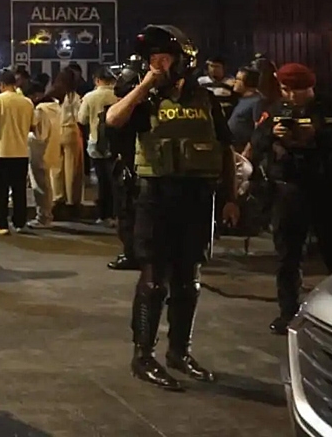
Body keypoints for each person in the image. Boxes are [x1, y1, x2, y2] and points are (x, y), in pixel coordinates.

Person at [105, 25, 239, 391]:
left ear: (182, 61)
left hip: (197, 198)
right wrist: (145, 84)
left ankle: (180, 352)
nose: (158, 64)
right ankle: (143, 356)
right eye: (152, 59)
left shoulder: (205, 100)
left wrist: (230, 198)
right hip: (155, 197)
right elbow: (113, 120)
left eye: (164, 58)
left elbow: (224, 149)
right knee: (153, 280)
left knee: (189, 280)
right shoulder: (142, 100)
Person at [250, 63, 332, 335]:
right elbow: (257, 142)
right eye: (286, 90)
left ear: (311, 86)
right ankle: (288, 312)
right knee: (287, 256)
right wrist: (273, 133)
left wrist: (317, 136)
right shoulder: (275, 110)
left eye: (298, 90)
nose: (292, 96)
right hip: (288, 190)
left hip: (326, 191)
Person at [104, 58, 144, 271]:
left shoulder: (136, 110)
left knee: (128, 213)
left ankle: (133, 253)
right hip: (130, 165)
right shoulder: (121, 110)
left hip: (132, 166)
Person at [0, 70, 34, 235]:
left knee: (1, 190)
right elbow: (33, 126)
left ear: (2, 85)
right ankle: (20, 222)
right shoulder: (27, 102)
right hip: (21, 151)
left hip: (1, 151)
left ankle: (1, 223)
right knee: (19, 190)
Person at [79, 68, 119, 224]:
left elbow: (81, 119)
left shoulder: (90, 97)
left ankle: (104, 215)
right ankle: (117, 213)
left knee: (102, 180)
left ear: (97, 80)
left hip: (96, 142)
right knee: (116, 179)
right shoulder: (117, 95)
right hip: (116, 142)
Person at [47, 70, 83, 218]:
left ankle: (57, 197)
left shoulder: (52, 94)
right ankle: (72, 200)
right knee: (72, 168)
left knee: (56, 167)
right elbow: (79, 117)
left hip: (55, 131)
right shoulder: (73, 96)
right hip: (71, 131)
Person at [28, 82, 61, 228]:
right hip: (53, 149)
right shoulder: (56, 107)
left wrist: (25, 134)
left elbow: (39, 135)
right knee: (47, 184)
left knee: (40, 185)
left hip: (39, 151)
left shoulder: (41, 111)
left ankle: (43, 217)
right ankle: (46, 214)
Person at [225, 66, 262, 153]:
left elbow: (258, 129)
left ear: (248, 82)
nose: (234, 82)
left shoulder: (257, 102)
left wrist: (248, 151)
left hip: (243, 149)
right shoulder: (241, 100)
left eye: (238, 79)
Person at [198, 55, 238, 121]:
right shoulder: (201, 81)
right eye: (211, 66)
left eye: (217, 67)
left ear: (224, 68)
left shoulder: (231, 82)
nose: (213, 69)